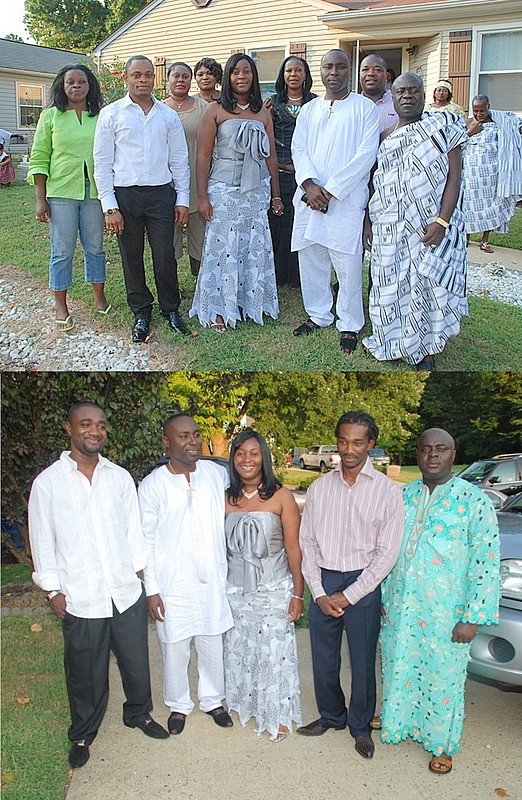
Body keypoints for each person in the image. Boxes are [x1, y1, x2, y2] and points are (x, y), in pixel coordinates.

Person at [28, 401, 169, 770]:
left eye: (101, 425)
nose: (95, 431)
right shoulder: (48, 483)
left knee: (136, 663)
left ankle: (138, 714)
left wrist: (141, 579)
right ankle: (83, 732)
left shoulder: (119, 478)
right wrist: (53, 589)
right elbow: (42, 539)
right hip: (80, 595)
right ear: (69, 428)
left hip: (124, 592)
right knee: (85, 671)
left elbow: (133, 534)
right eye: (86, 424)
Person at [379, 428, 500, 775]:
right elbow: (386, 552)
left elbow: (486, 562)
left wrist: (472, 615)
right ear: (417, 454)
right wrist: (384, 597)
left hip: (447, 614)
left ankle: (442, 743)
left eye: (441, 449)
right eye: (425, 449)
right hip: (402, 607)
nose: (432, 455)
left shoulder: (474, 501)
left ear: (453, 453)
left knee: (442, 678)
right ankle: (398, 722)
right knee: (400, 665)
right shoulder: (401, 497)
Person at [297, 411, 403, 760]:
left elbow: (388, 552)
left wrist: (352, 592)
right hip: (325, 580)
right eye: (343, 441)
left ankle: (360, 726)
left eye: (358, 442)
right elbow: (307, 542)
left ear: (371, 444)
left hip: (364, 583)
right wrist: (320, 590)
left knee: (362, 662)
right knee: (324, 659)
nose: (349, 449)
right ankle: (331, 716)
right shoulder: (319, 488)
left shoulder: (387, 492)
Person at [362, 73, 468, 371]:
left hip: (428, 227)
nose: (408, 95)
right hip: (388, 228)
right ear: (392, 98)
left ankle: (425, 350)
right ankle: (389, 339)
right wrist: (368, 224)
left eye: (414, 90)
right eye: (401, 91)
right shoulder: (383, 137)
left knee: (424, 286)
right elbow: (374, 183)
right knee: (388, 286)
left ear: (423, 94)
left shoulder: (443, 128)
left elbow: (454, 177)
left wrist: (443, 220)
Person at [138, 414, 234, 735]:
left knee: (211, 643)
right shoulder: (153, 485)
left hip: (211, 579)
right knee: (174, 647)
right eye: (183, 436)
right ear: (167, 443)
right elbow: (145, 541)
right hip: (171, 584)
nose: (192, 442)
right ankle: (178, 705)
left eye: (195, 435)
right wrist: (151, 589)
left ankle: (212, 700)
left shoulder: (215, 474)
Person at [93, 55, 190, 343]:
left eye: (148, 74)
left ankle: (171, 309)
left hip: (161, 193)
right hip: (125, 195)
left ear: (154, 78)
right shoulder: (111, 114)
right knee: (131, 255)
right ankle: (141, 312)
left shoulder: (168, 116)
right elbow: (101, 163)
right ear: (126, 78)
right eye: (137, 75)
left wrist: (182, 199)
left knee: (165, 254)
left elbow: (180, 160)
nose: (143, 79)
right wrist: (110, 207)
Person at [291, 50, 380, 355]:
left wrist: (329, 191)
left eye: (341, 67)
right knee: (311, 259)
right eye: (328, 66)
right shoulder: (310, 109)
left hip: (345, 200)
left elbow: (365, 156)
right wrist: (309, 184)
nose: (334, 72)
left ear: (349, 71)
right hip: (308, 197)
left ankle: (350, 324)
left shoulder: (365, 109)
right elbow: (298, 148)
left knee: (348, 264)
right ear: (321, 71)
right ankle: (318, 314)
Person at [189, 53, 281, 333]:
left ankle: (249, 302)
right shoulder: (215, 110)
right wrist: (203, 197)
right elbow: (203, 156)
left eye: (247, 72)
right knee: (224, 248)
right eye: (235, 72)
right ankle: (218, 307)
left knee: (253, 247)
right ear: (227, 77)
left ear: (254, 77)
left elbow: (272, 157)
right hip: (224, 190)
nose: (242, 76)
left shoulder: (263, 113)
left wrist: (276, 195)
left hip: (255, 192)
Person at [224, 430, 303, 742]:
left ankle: (278, 714)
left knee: (274, 654)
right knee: (241, 651)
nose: (246, 459)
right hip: (235, 591)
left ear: (264, 458)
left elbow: (294, 549)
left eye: (254, 453)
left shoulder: (282, 497)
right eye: (240, 453)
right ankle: (246, 704)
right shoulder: (225, 497)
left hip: (274, 590)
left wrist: (298, 593)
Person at [28, 65, 111, 331]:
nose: (76, 86)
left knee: (95, 248)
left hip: (94, 193)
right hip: (61, 192)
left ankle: (99, 296)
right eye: (70, 82)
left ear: (90, 86)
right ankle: (61, 304)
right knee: (62, 251)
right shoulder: (51, 116)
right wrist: (40, 198)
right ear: (62, 86)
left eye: (82, 81)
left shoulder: (100, 116)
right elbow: (40, 156)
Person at [266, 56, 316, 287]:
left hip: (309, 177)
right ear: (283, 75)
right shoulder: (272, 104)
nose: (293, 74)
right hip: (281, 174)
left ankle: (299, 276)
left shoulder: (317, 103)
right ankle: (279, 275)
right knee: (281, 224)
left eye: (298, 70)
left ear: (306, 75)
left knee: (304, 225)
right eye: (289, 70)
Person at [463, 94, 522, 253]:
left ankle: (485, 240)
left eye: (482, 110)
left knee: (491, 204)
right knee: (468, 205)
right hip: (471, 173)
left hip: (491, 173)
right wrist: (471, 132)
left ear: (488, 107)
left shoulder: (500, 121)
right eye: (475, 111)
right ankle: (466, 237)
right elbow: (458, 141)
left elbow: (516, 128)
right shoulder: (469, 122)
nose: (479, 114)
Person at [164, 62, 207, 276]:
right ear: (168, 80)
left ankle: (203, 288)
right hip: (167, 181)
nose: (180, 80)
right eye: (176, 76)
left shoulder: (203, 108)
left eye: (185, 77)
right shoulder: (158, 109)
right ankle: (171, 288)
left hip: (197, 178)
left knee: (201, 238)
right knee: (168, 241)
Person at [359, 54, 399, 132]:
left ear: (387, 76)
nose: (370, 73)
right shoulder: (352, 106)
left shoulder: (398, 104)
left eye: (377, 69)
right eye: (365, 69)